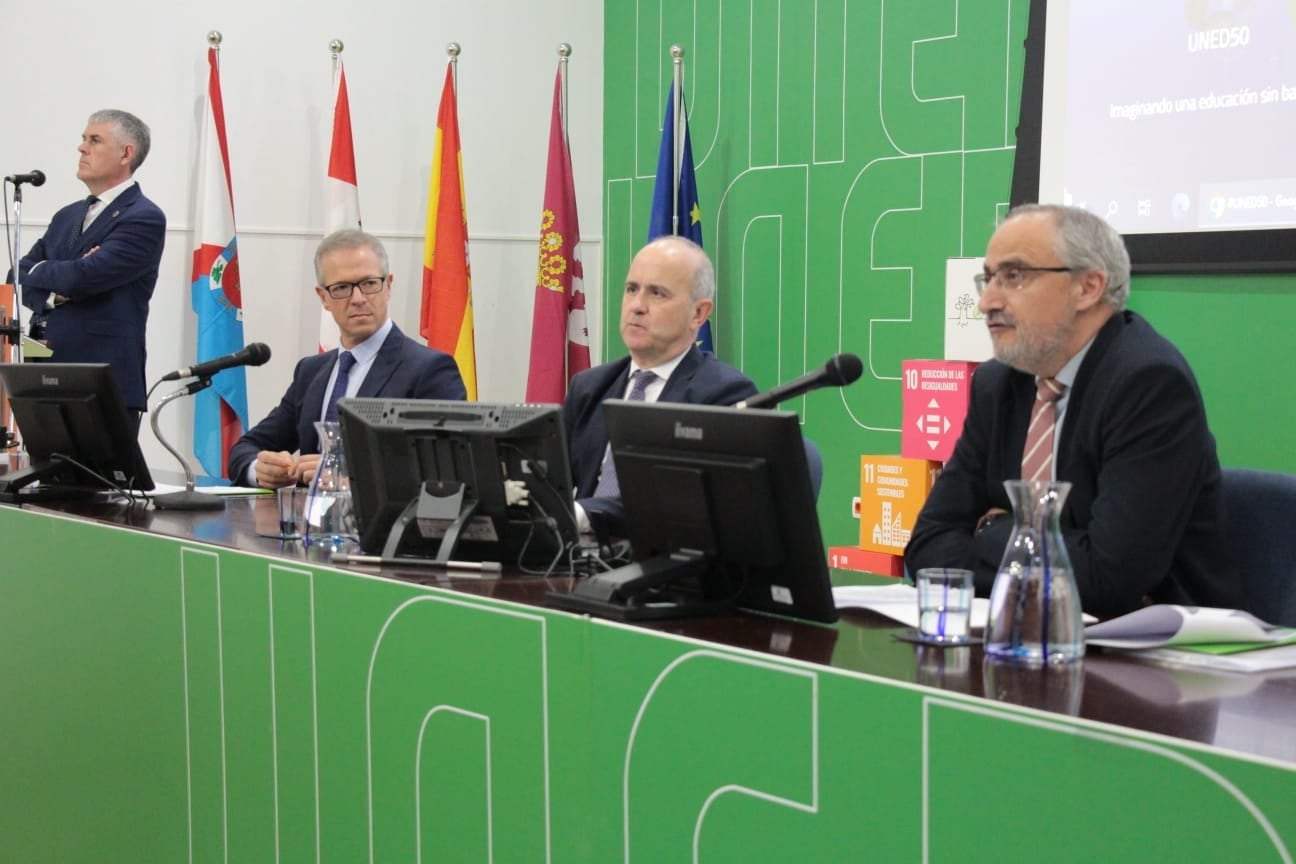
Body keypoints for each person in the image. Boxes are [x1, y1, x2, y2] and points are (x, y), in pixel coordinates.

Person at [904, 204, 1240, 618]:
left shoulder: (1148, 384)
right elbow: (926, 549)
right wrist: (1044, 557)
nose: (986, 302)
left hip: (1160, 658)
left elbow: (1107, 582)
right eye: (987, 279)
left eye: (1014, 276)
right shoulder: (998, 384)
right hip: (1023, 638)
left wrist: (992, 530)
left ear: (1088, 287)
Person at [227, 229, 465, 488]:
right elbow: (246, 448)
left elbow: (445, 468)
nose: (359, 299)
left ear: (388, 286)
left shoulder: (429, 370)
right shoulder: (311, 371)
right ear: (324, 298)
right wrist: (260, 469)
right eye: (341, 288)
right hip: (303, 524)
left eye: (369, 284)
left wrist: (346, 475)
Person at [562, 235, 757, 540]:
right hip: (577, 560)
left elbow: (680, 507)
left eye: (657, 293)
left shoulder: (723, 395)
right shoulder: (589, 388)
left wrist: (583, 514)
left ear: (699, 313)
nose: (637, 306)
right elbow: (548, 485)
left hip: (663, 568)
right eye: (631, 289)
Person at [13, 109, 166, 425]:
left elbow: (85, 276)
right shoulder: (66, 216)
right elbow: (16, 276)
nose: (81, 148)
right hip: (42, 375)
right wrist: (56, 292)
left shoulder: (143, 217)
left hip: (101, 384)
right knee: (46, 475)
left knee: (99, 476)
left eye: (94, 140)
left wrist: (50, 273)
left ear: (126, 153)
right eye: (84, 139)